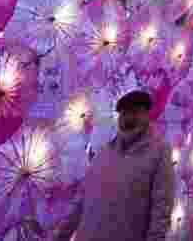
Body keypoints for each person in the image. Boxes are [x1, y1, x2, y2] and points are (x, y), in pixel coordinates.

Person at [55, 90, 174, 241]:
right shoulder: (104, 152)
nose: (129, 118)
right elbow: (82, 200)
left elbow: (161, 208)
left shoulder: (159, 152)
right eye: (124, 113)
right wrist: (62, 234)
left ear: (146, 115)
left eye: (135, 112)